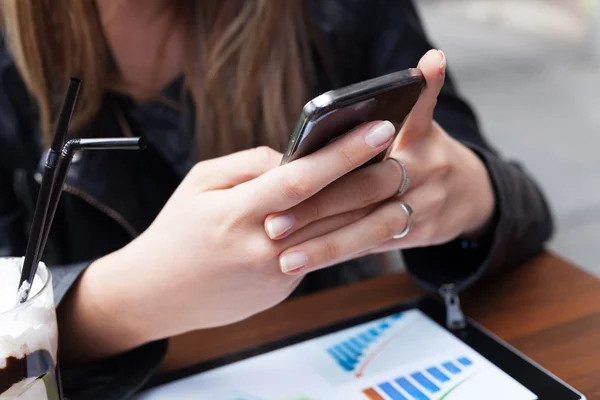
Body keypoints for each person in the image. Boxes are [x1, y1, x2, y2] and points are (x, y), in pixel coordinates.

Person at [0, 0, 552, 398]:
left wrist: (469, 192)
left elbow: (521, 206)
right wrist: (121, 302)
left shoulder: (340, 13)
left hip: (349, 356)